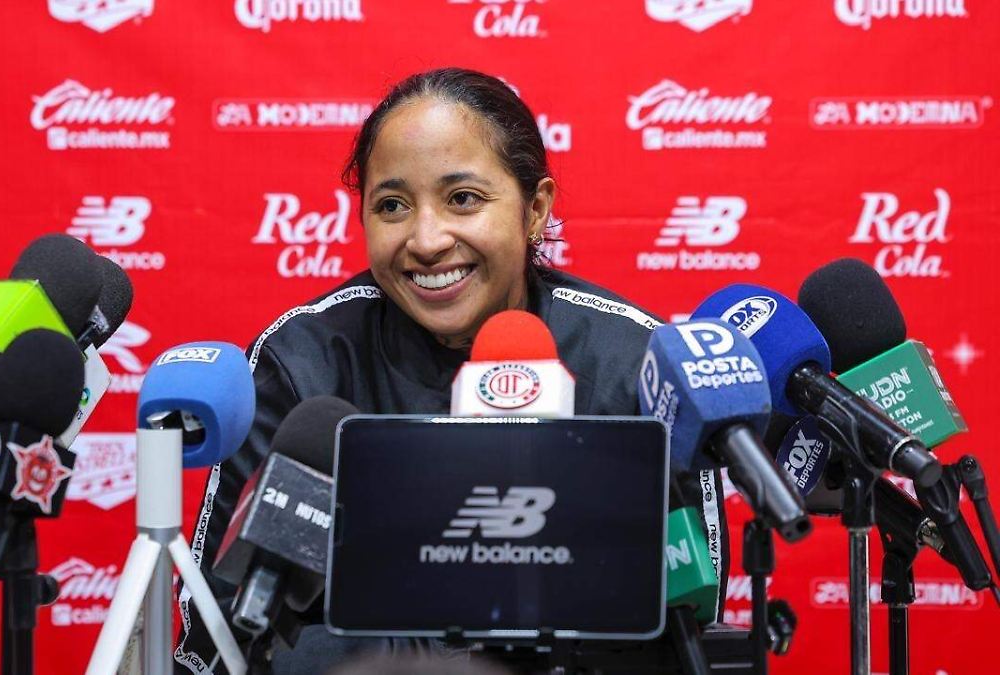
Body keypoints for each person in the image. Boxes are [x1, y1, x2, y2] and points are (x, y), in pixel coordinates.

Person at [173, 68, 729, 674]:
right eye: (392, 206)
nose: (427, 240)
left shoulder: (637, 366)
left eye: (462, 198)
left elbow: (688, 634)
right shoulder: (302, 364)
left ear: (535, 209)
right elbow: (216, 632)